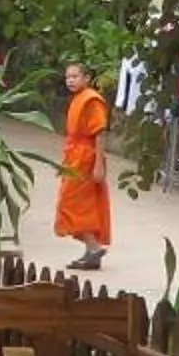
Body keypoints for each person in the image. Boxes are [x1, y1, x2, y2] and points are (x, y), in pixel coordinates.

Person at [55, 61, 113, 271]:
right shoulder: (79, 99)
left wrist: (98, 163)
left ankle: (94, 248)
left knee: (75, 204)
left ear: (87, 79)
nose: (70, 80)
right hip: (75, 156)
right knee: (74, 203)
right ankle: (91, 252)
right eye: (68, 77)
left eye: (75, 76)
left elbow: (100, 132)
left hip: (86, 158)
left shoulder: (92, 100)